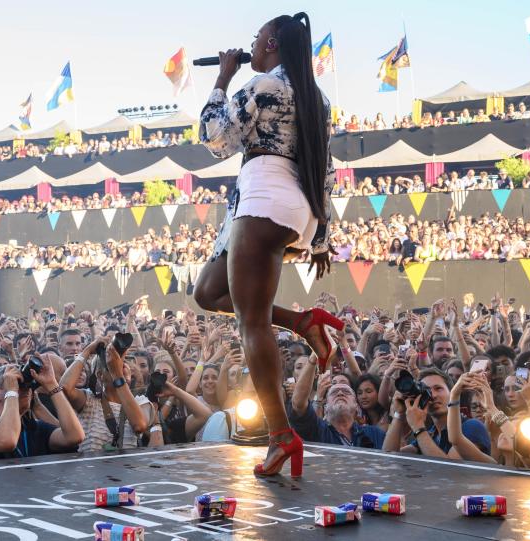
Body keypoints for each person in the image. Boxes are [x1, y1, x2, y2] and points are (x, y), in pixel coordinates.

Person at [192, 12, 341, 479]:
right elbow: (326, 167)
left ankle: (280, 436)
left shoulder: (266, 87)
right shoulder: (316, 97)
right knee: (210, 293)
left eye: (256, 40)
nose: (251, 46)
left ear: (272, 41)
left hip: (263, 199)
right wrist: (321, 233)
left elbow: (215, 138)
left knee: (250, 321)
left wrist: (223, 76)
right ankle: (303, 322)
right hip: (287, 204)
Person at [0, 360, 84, 461]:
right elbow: (6, 440)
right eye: (18, 384)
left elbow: (74, 437)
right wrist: (12, 390)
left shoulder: (35, 427)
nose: (25, 389)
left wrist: (52, 384)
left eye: (27, 385)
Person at [289, 354, 385, 447]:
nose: (340, 393)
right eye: (334, 392)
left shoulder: (374, 434)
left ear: (356, 405)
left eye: (346, 392)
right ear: (326, 406)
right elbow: (298, 403)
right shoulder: (316, 430)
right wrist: (314, 356)